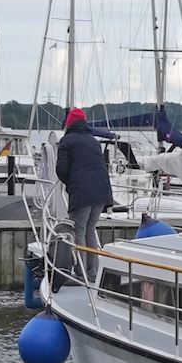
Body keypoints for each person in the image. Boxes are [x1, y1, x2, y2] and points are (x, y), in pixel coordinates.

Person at [55, 107, 115, 280]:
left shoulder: (67, 141)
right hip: (101, 191)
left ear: (69, 123)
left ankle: (81, 272)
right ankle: (93, 272)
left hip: (82, 191)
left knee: (79, 231)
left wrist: (70, 184)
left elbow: (61, 170)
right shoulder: (93, 140)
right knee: (90, 229)